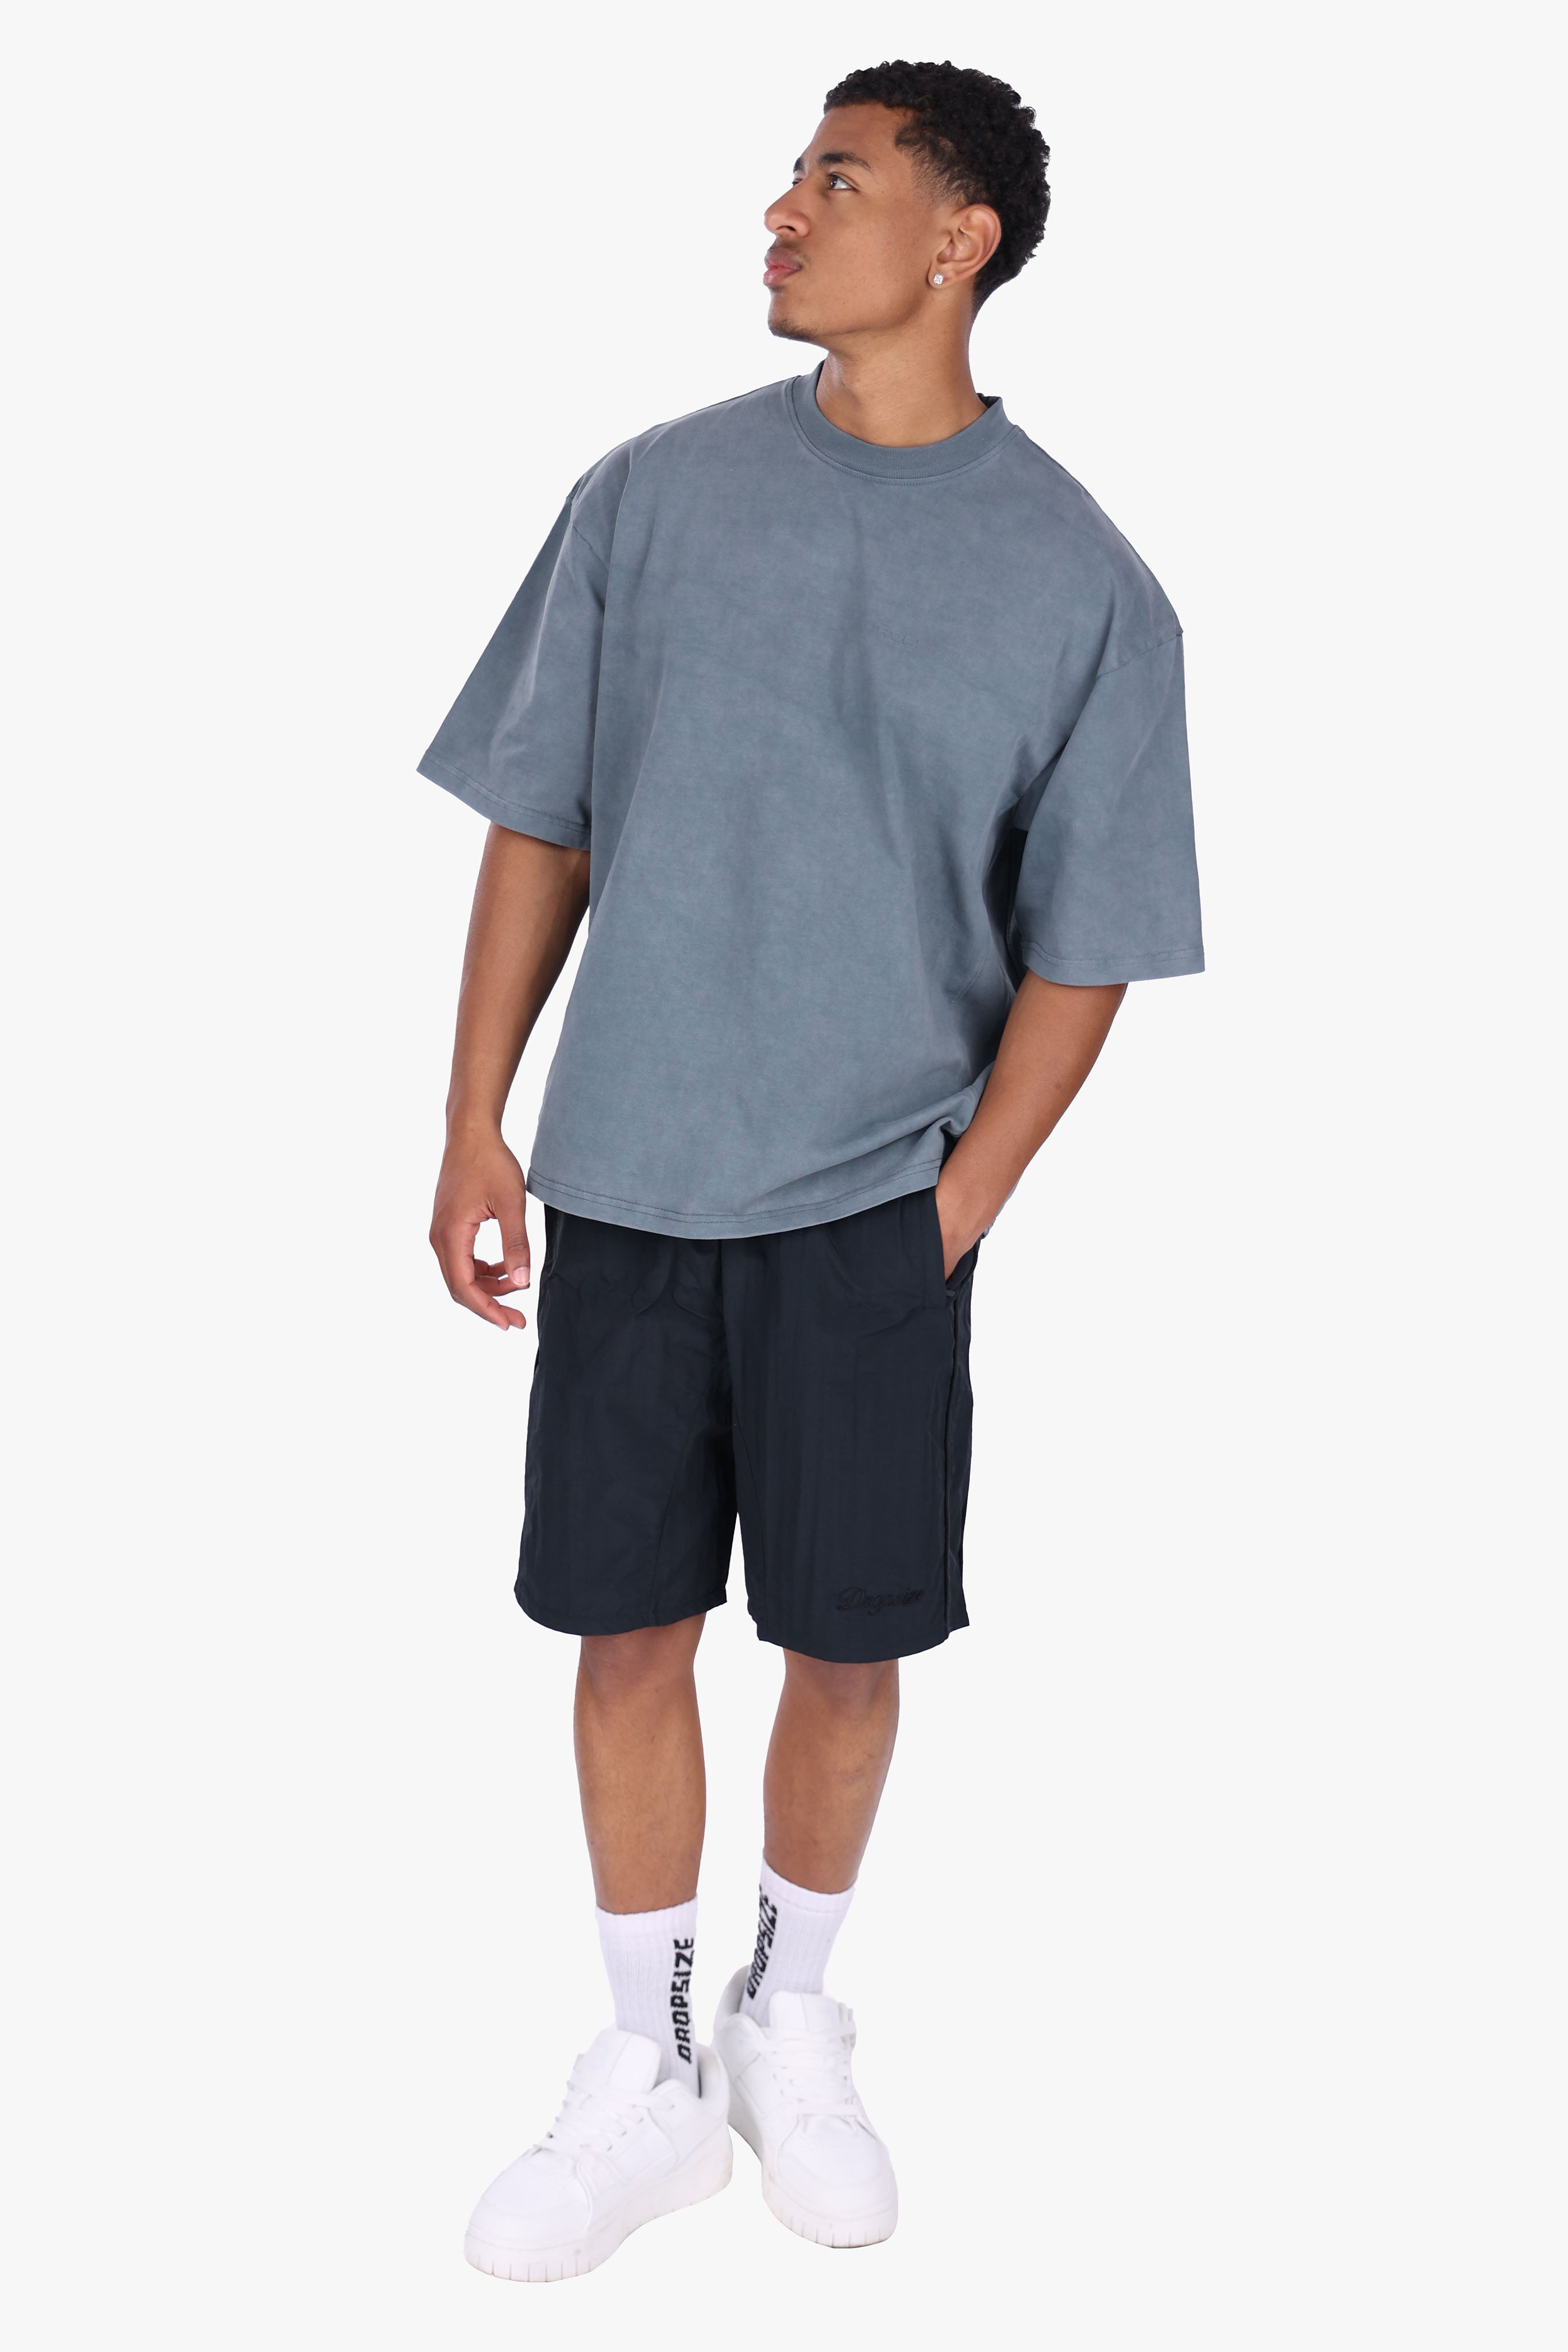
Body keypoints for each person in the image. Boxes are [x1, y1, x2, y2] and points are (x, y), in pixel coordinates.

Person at [420, 58, 1203, 2282]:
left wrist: (951, 1211)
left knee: (846, 1650)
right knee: (621, 1629)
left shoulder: (1082, 585)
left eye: (835, 179)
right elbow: (542, 818)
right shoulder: (649, 495)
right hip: (628, 1179)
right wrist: (475, 1113)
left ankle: (788, 2017)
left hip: (870, 1210)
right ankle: (645, 2065)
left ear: (956, 239)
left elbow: (1086, 950)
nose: (781, 210)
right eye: (787, 173)